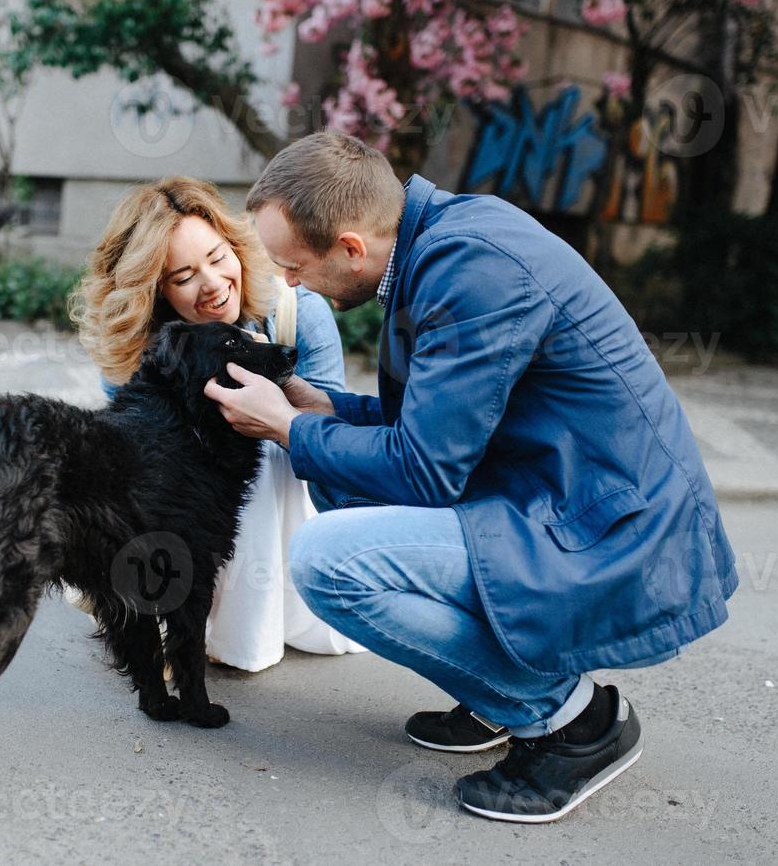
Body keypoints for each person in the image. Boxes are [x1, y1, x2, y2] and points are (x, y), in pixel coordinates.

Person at [203, 131, 737, 823]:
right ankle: (496, 699)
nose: (291, 285)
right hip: (554, 497)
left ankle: (572, 721)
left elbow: (423, 470)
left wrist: (287, 427)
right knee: (339, 478)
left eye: (294, 267)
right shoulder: (436, 244)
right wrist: (328, 408)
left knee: (327, 559)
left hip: (611, 528)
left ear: (351, 248)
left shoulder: (472, 268)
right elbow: (441, 431)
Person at [71, 175, 367, 671]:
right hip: (176, 517)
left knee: (248, 459)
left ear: (236, 246)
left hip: (291, 495)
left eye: (216, 257)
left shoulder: (296, 312)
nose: (212, 285)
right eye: (183, 277)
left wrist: (279, 419)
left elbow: (335, 442)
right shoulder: (140, 343)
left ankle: (253, 617)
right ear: (156, 291)